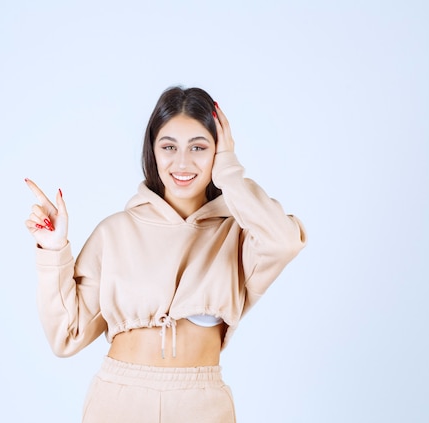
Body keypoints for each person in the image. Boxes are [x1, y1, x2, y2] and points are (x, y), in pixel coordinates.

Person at [24, 86, 306, 423]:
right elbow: (65, 337)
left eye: (199, 147)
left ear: (219, 150)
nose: (182, 162)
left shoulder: (239, 234)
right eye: (169, 146)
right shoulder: (116, 231)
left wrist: (230, 172)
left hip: (201, 404)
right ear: (153, 152)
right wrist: (54, 250)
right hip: (119, 400)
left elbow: (284, 242)